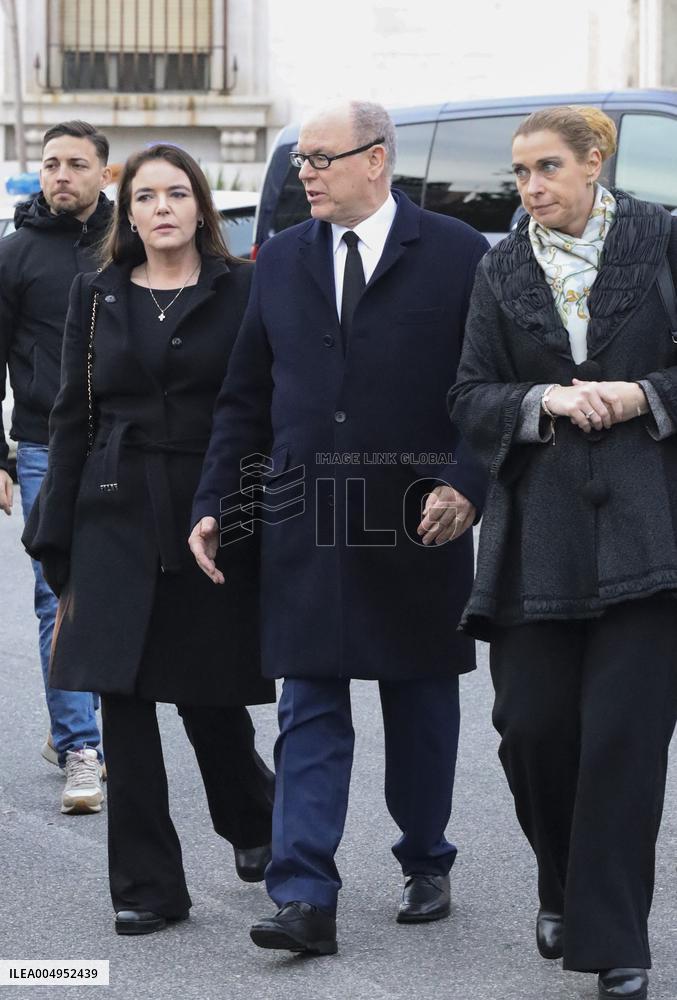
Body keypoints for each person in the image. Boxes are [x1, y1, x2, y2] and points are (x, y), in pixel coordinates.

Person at [189, 100, 488, 955]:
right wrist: (217, 500)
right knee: (309, 707)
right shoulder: (279, 260)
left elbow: (486, 383)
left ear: (377, 160)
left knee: (421, 701)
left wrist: (467, 482)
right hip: (304, 516)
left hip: (415, 513)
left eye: (323, 158)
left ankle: (425, 857)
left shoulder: (458, 254)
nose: (306, 173)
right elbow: (245, 397)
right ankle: (303, 896)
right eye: (304, 161)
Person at [447, 106, 677, 1000]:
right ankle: (560, 880)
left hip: (650, 531)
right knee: (531, 731)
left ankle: (613, 942)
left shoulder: (660, 242)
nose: (530, 188)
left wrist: (641, 396)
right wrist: (540, 398)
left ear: (594, 164)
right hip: (535, 536)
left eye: (546, 168)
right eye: (519, 174)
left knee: (622, 740)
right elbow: (467, 395)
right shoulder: (499, 266)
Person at [22, 144, 275, 935]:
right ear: (125, 212)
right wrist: (54, 535)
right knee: (122, 702)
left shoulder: (243, 289)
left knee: (208, 696)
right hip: (113, 508)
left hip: (211, 507)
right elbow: (72, 416)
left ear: (201, 207)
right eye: (145, 196)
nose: (161, 207)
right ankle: (147, 887)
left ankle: (256, 823)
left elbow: (267, 404)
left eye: (176, 193)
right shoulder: (95, 295)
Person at [0, 120, 111, 814]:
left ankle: (82, 723)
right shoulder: (15, 255)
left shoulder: (125, 246)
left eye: (75, 163)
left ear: (106, 172)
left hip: (128, 443)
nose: (60, 175)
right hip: (42, 442)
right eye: (50, 164)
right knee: (57, 592)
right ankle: (80, 746)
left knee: (119, 590)